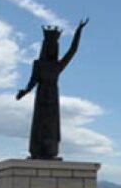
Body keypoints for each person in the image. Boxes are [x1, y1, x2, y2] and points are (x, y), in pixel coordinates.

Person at [16, 18, 89, 159]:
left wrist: (78, 31)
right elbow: (32, 81)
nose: (51, 48)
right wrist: (24, 91)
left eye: (53, 45)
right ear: (45, 47)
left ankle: (50, 152)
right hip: (41, 97)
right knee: (40, 125)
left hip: (53, 98)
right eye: (49, 45)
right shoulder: (38, 64)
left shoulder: (57, 65)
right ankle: (37, 152)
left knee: (51, 126)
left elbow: (72, 51)